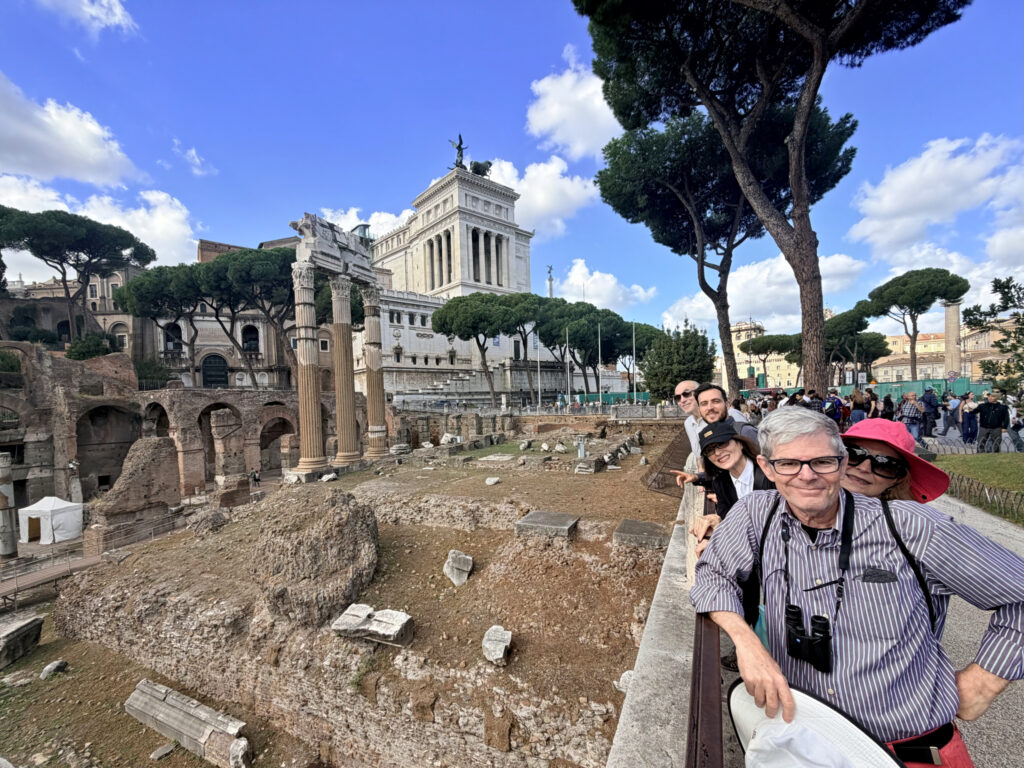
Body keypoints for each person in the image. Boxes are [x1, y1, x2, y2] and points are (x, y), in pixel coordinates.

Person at [691, 407, 1024, 766]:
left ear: (840, 461)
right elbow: (712, 574)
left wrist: (985, 680)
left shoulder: (914, 528)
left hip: (908, 752)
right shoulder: (758, 514)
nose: (807, 476)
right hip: (805, 746)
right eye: (788, 464)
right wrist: (747, 642)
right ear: (768, 468)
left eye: (822, 462)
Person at [670, 422, 775, 558]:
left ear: (739, 443)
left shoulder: (770, 474)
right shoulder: (721, 483)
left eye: (722, 443)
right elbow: (728, 520)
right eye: (710, 450)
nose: (718, 453)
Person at [840, 418, 950, 504]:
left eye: (884, 464)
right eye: (854, 454)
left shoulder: (907, 527)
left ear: (898, 479)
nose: (864, 468)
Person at [695, 383, 760, 444]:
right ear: (699, 409)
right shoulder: (705, 436)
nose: (709, 407)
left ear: (727, 405)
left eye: (715, 401)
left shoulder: (745, 432)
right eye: (704, 404)